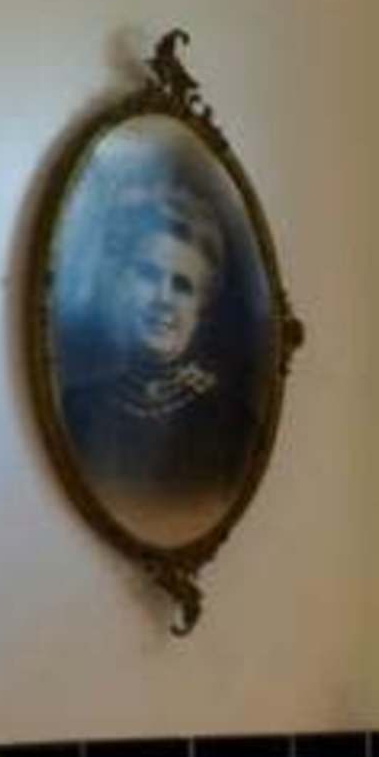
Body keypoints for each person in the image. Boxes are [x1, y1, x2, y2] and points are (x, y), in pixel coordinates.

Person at [53, 148, 264, 544]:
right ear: (124, 284)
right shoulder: (78, 409)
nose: (164, 299)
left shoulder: (232, 426)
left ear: (200, 309)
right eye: (149, 275)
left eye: (182, 286)